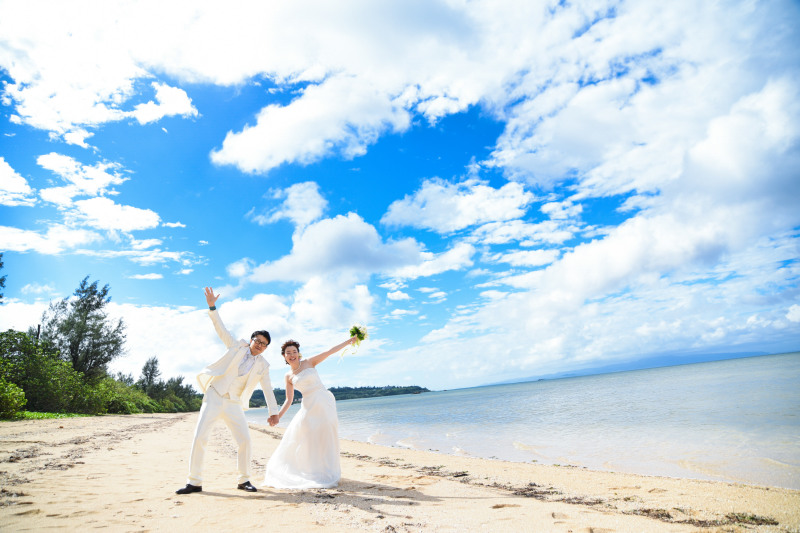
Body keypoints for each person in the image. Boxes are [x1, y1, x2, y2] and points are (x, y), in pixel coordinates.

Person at [175, 287, 281, 495]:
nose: (259, 345)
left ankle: (244, 480)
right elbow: (220, 329)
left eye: (264, 344)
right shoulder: (236, 346)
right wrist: (212, 307)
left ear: (266, 348)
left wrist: (273, 412)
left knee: (245, 440)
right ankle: (194, 482)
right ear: (251, 340)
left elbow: (268, 390)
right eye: (257, 341)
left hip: (233, 403)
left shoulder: (263, 365)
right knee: (200, 437)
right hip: (215, 395)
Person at [263, 335, 357, 489]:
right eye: (288, 352)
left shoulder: (309, 362)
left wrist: (348, 341)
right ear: (284, 356)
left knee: (327, 435)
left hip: (324, 401)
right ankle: (312, 470)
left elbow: (329, 351)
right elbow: (289, 399)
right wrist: (277, 416)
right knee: (307, 438)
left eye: (294, 351)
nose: (292, 355)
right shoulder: (288, 376)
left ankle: (328, 471)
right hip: (308, 406)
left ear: (298, 353)